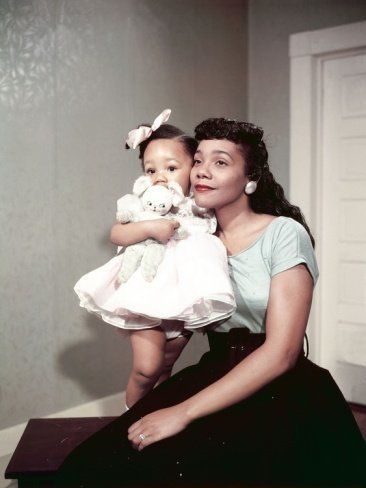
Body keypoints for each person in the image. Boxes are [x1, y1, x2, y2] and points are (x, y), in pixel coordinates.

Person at [56, 118, 366, 487]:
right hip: (212, 371)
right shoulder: (193, 241)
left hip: (278, 385)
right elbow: (173, 326)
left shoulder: (283, 232)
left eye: (220, 162)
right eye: (199, 160)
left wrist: (181, 413)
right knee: (90, 465)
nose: (203, 171)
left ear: (250, 178)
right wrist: (150, 344)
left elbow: (281, 352)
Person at [73, 110, 235, 410]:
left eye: (172, 168)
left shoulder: (200, 207)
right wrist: (150, 227)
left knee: (165, 368)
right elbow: (116, 234)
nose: (160, 176)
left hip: (181, 296)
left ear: (193, 168)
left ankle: (155, 425)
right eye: (151, 170)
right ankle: (128, 423)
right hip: (145, 293)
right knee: (147, 368)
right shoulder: (142, 205)